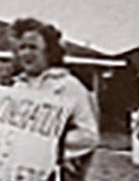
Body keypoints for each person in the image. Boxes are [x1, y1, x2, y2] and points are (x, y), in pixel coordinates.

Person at [8, 18, 99, 181]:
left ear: (49, 51)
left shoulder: (68, 86)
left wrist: (52, 142)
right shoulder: (16, 88)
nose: (26, 53)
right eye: (22, 47)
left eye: (33, 47)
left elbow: (89, 135)